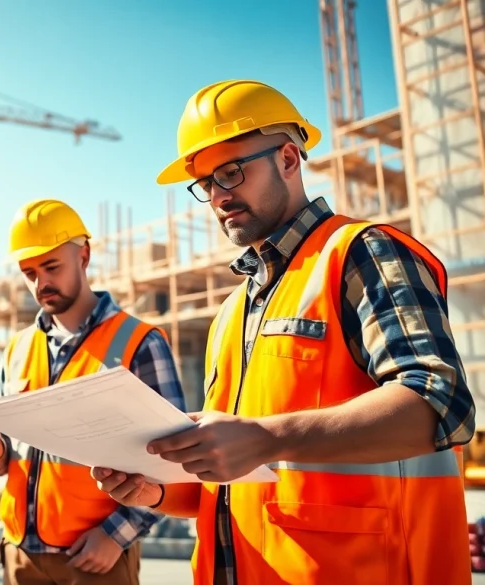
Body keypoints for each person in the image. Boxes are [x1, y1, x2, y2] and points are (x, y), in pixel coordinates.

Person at [91, 79, 476, 585]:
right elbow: (239, 478)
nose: (218, 196)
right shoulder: (233, 312)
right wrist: (157, 492)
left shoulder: (363, 253)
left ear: (289, 159)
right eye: (205, 183)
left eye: (230, 172)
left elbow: (441, 403)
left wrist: (266, 438)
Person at [0, 198, 187, 585]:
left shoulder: (140, 343)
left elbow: (172, 465)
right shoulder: (17, 350)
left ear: (84, 255)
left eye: (51, 267)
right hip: (20, 555)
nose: (40, 283)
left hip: (96, 559)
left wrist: (116, 536)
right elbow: (9, 458)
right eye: (29, 272)